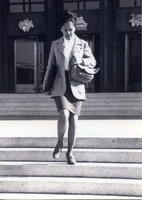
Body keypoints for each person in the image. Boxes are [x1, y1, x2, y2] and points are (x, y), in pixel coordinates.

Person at [43, 9, 96, 165]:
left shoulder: (83, 44)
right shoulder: (55, 44)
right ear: (61, 29)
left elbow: (92, 61)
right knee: (64, 114)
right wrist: (46, 84)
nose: (68, 32)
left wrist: (81, 62)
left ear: (75, 28)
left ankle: (70, 152)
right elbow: (50, 65)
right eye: (65, 30)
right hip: (60, 83)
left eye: (71, 29)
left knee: (74, 120)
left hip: (76, 84)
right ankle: (59, 143)